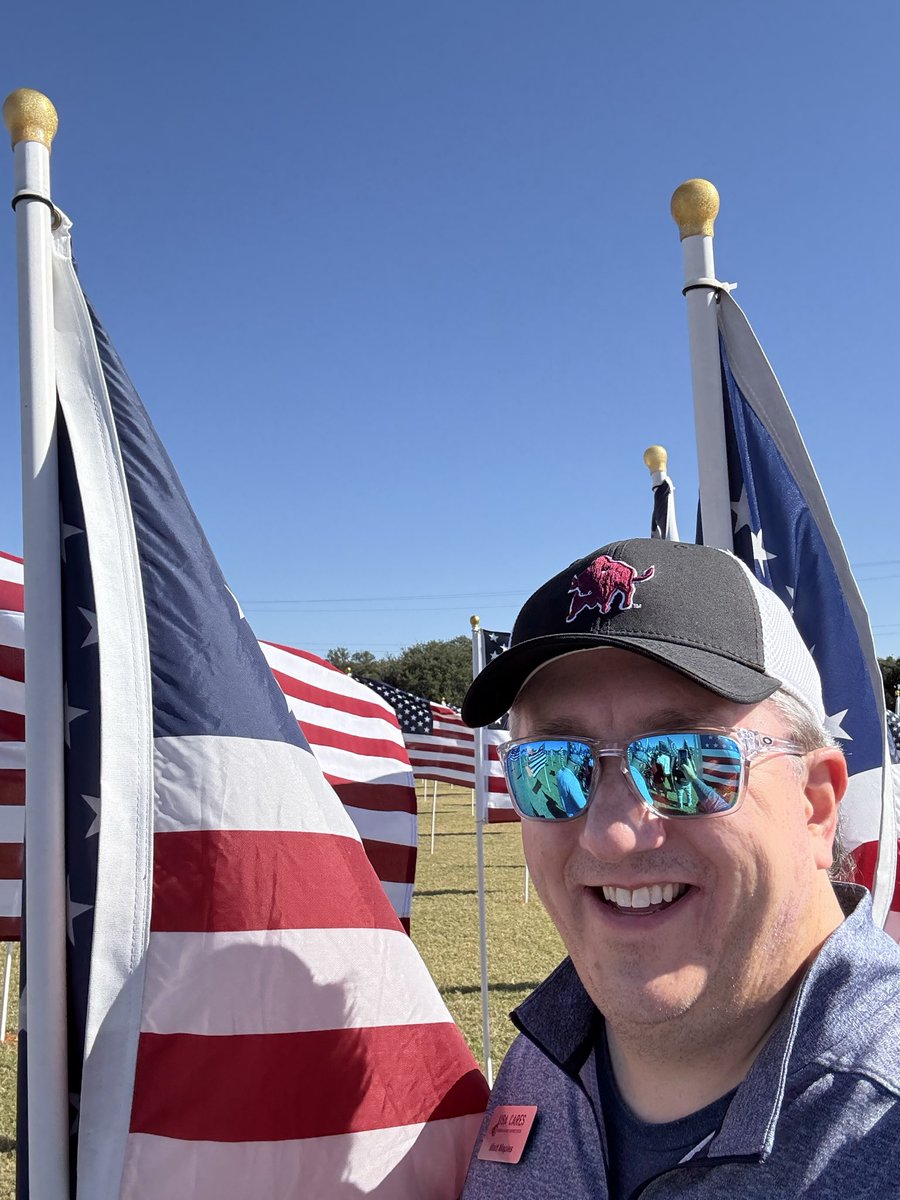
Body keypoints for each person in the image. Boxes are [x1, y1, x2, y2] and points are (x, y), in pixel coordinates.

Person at [459, 538, 900, 1199]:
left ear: (816, 806)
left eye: (685, 763)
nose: (611, 835)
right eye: (552, 769)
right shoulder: (544, 1057)